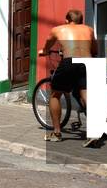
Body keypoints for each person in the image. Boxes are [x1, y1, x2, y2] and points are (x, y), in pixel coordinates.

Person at [38, 9, 98, 145]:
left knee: (54, 95)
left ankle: (57, 133)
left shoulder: (58, 29)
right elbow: (95, 49)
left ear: (66, 20)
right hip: (87, 62)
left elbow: (47, 46)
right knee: (86, 95)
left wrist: (44, 51)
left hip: (69, 61)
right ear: (81, 21)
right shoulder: (89, 29)